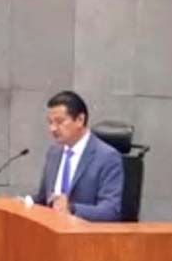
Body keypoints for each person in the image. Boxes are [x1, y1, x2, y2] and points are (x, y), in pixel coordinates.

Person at [31, 90, 124, 221]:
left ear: (80, 120)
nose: (53, 128)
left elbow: (110, 210)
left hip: (84, 232)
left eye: (59, 122)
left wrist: (72, 209)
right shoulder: (54, 153)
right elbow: (43, 199)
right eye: (50, 122)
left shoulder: (107, 157)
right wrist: (26, 202)